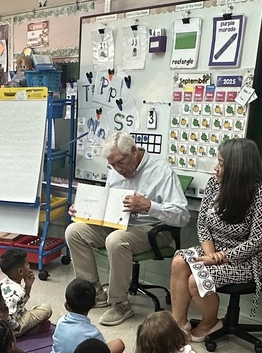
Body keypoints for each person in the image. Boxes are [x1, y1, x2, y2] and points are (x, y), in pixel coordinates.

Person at [65, 131, 190, 327]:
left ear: (133, 151)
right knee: (74, 231)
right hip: (119, 224)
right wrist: (83, 211)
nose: (117, 169)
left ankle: (120, 304)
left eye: (120, 163)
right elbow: (107, 204)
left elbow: (182, 216)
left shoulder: (161, 171)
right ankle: (94, 294)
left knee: (115, 240)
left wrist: (149, 205)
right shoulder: (116, 170)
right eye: (112, 165)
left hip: (155, 230)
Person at [169, 137, 262, 342]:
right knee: (179, 261)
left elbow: (257, 241)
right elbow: (202, 224)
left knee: (198, 278)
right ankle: (178, 324)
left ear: (238, 167)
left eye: (221, 164)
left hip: (250, 260)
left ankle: (211, 322)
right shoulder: (214, 184)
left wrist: (222, 258)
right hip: (215, 250)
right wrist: (211, 255)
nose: (215, 169)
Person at [48, 279, 126, 353]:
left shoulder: (60, 321)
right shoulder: (93, 333)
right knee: (119, 345)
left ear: (66, 306)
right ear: (94, 304)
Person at [0, 249, 51, 337]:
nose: (29, 266)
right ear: (20, 271)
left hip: (6, 322)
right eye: (27, 264)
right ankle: (23, 331)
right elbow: (6, 315)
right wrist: (17, 327)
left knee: (26, 310)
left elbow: (20, 302)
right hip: (10, 329)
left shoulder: (3, 282)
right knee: (46, 308)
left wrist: (28, 285)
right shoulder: (18, 291)